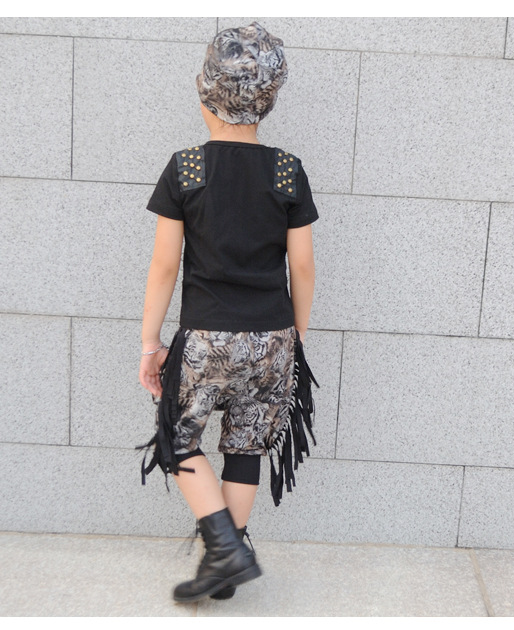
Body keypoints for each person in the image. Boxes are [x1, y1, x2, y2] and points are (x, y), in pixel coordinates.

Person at [137, 22, 318, 604]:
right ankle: (228, 560)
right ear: (268, 99)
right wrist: (295, 337)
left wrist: (150, 343)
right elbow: (303, 267)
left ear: (206, 94)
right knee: (245, 445)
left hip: (207, 339)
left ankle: (224, 549)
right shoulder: (287, 170)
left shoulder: (187, 168)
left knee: (178, 438)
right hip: (273, 338)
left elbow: (164, 265)